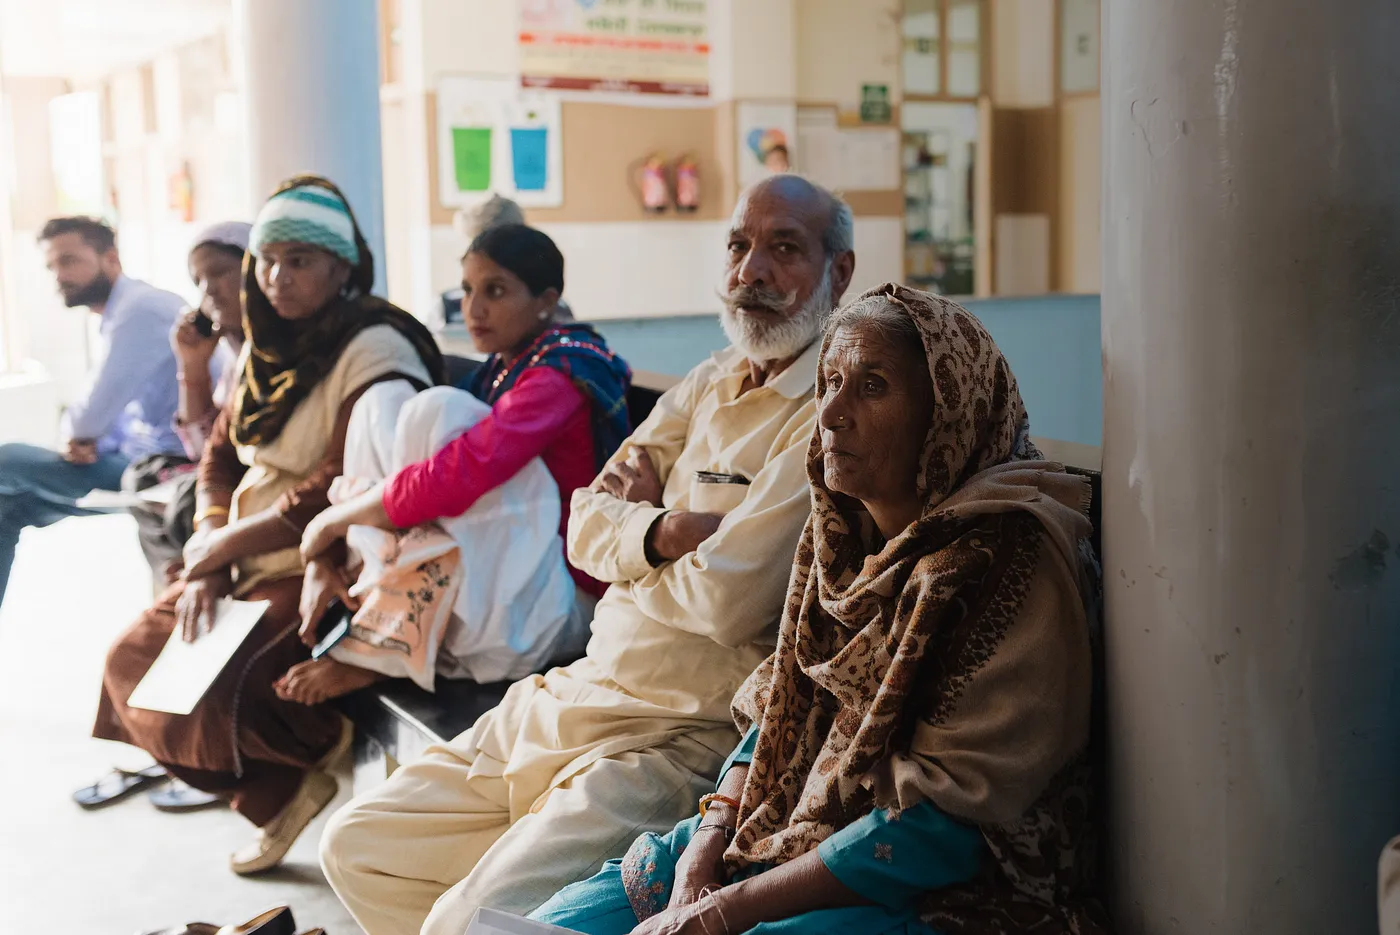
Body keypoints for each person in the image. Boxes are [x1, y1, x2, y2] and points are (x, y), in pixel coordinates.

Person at [318, 174, 858, 935]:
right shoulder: (707, 381)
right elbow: (584, 524)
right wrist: (665, 534)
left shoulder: (827, 414)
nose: (752, 271)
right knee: (357, 846)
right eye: (739, 244)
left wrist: (630, 543)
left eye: (784, 248)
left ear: (839, 272)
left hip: (672, 737)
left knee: (461, 922)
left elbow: (730, 601)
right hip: (572, 693)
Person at [532, 284, 1109, 935]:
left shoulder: (1004, 553)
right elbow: (785, 705)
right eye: (829, 381)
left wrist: (722, 910)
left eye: (872, 386)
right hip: (784, 817)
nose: (831, 412)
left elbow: (944, 828)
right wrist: (704, 849)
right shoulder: (839, 534)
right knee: (554, 923)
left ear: (944, 409)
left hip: (924, 882)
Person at [91, 176, 444, 875]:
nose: (276, 277)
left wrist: (222, 545)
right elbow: (220, 456)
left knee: (242, 685)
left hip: (326, 558)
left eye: (300, 260)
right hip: (242, 550)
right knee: (129, 662)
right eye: (267, 259)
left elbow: (334, 485)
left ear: (342, 268)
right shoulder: (265, 346)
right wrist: (215, 553)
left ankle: (283, 786)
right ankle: (284, 790)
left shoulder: (375, 348)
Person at [276, 223, 631, 703]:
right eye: (466, 290)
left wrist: (334, 520)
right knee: (384, 398)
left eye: (496, 291)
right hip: (516, 587)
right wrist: (325, 548)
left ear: (546, 300)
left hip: (562, 602)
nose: (474, 309)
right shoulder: (508, 364)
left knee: (438, 413)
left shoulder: (560, 375)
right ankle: (388, 619)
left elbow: (459, 474)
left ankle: (396, 648)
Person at [0, 217, 186, 610]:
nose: (58, 276)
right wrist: (89, 440)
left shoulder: (140, 310)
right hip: (139, 458)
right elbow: (107, 420)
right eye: (52, 266)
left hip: (168, 467)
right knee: (9, 508)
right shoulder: (120, 313)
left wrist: (82, 436)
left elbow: (88, 418)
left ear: (110, 258)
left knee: (4, 462)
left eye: (69, 261)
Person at [124, 221, 251, 587]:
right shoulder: (233, 355)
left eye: (220, 272)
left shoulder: (273, 353)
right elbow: (201, 448)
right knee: (143, 476)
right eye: (198, 281)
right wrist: (192, 366)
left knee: (184, 499)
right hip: (222, 470)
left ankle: (186, 579)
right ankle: (179, 578)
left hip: (252, 480)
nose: (208, 289)